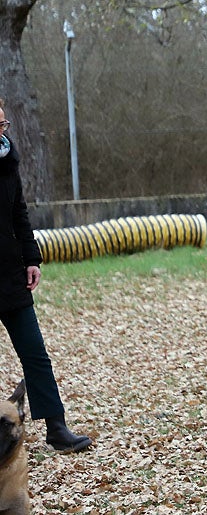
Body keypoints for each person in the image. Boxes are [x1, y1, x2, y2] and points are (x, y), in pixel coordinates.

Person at [0, 99, 92, 453]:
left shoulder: (8, 159)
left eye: (4, 125)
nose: (3, 132)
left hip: (10, 272)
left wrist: (31, 258)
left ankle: (56, 426)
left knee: (35, 352)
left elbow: (19, 212)